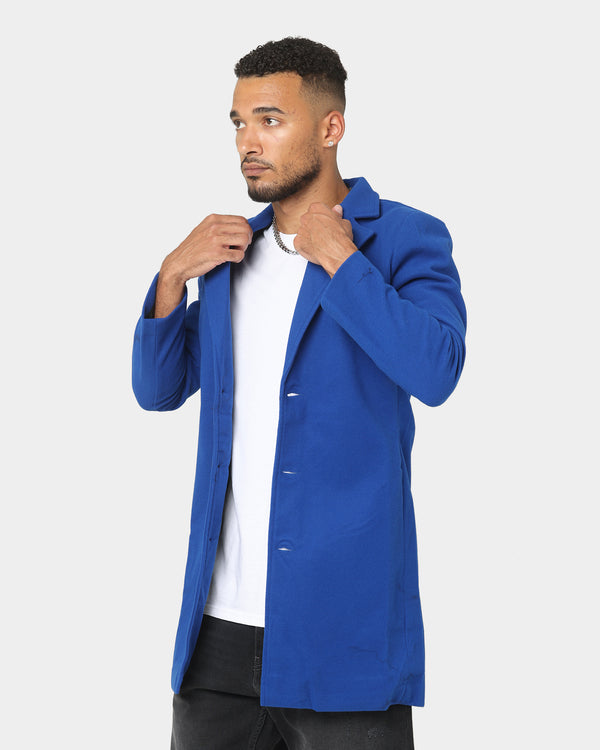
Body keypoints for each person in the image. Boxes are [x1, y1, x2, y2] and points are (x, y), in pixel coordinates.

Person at [132, 36, 466, 750]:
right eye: (238, 122)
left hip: (344, 629)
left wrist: (343, 261)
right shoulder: (227, 255)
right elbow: (157, 391)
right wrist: (171, 277)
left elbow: (437, 370)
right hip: (217, 638)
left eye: (270, 119)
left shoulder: (403, 237)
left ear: (330, 127)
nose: (247, 143)